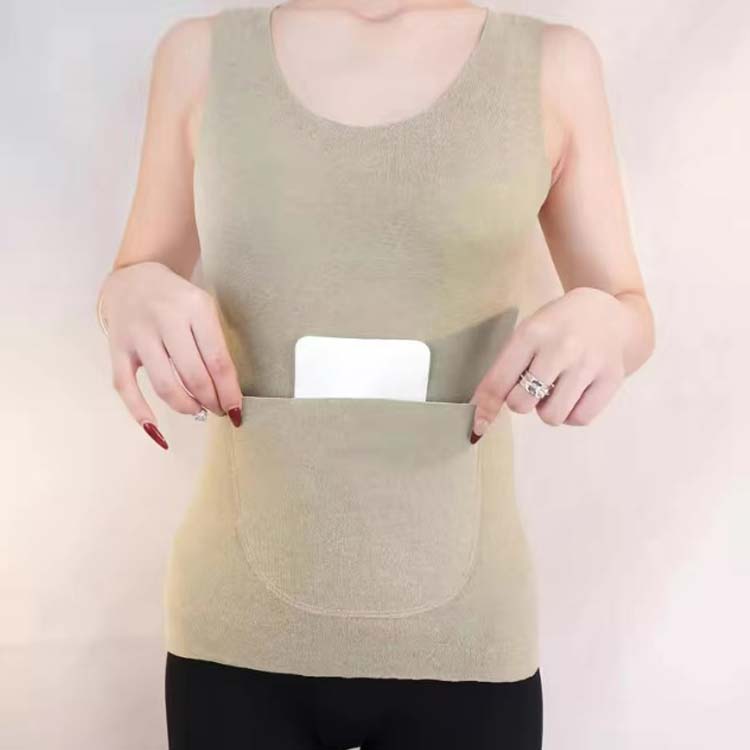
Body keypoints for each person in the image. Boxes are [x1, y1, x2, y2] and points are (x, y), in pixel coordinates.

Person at [95, 2, 655, 748]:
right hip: (235, 628)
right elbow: (136, 273)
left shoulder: (552, 64)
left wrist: (606, 323)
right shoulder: (200, 55)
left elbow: (629, 308)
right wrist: (128, 293)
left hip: (466, 636)